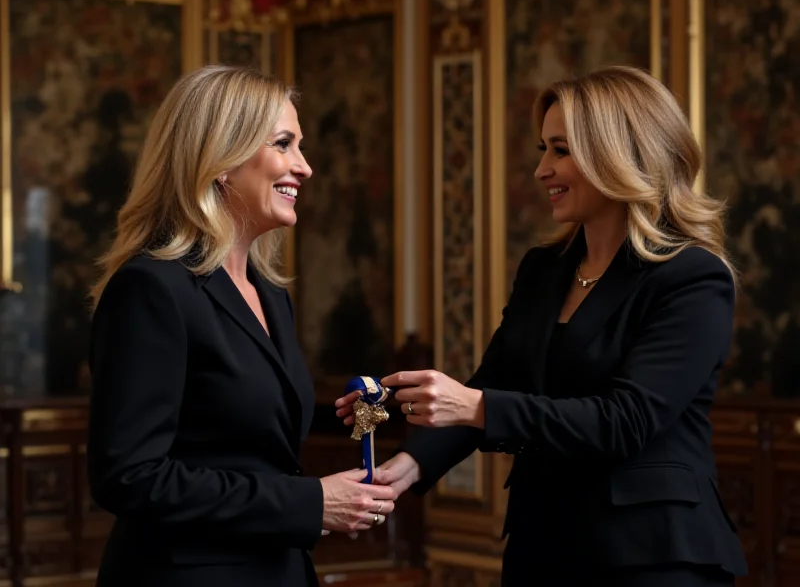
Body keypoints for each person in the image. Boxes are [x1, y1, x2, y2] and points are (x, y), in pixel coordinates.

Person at [336, 66, 748, 586]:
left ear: (619, 154)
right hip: (542, 547)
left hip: (652, 557)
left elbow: (626, 421)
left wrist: (476, 406)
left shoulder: (692, 277)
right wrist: (409, 466)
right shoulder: (543, 271)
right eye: (543, 149)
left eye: (561, 150)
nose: (541, 171)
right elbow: (495, 385)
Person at [87, 65, 397, 587]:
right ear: (222, 161)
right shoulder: (151, 288)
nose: (305, 167)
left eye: (300, 146)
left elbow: (251, 440)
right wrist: (311, 503)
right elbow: (129, 477)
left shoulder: (270, 294)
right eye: (284, 144)